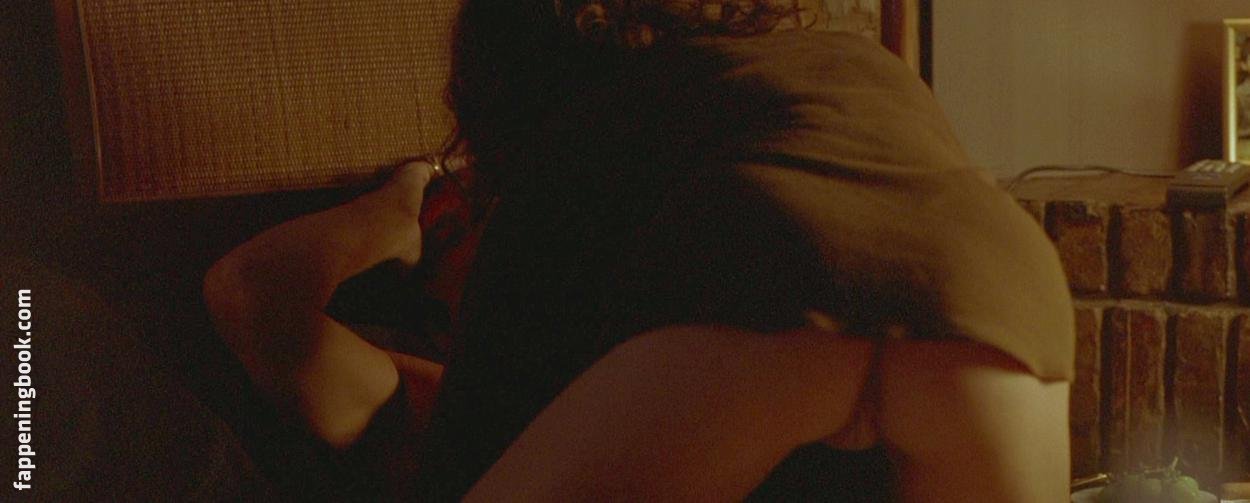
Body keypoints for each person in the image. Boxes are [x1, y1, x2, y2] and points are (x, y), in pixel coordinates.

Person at [204, 0, 1075, 500]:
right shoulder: (792, 74)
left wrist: (408, 205)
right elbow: (249, 293)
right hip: (1001, 284)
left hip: (768, 270)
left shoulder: (578, 181)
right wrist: (403, 217)